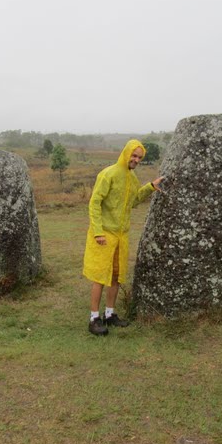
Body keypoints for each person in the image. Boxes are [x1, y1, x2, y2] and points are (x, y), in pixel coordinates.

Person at [83, 139, 163, 336]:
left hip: (121, 236)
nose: (136, 160)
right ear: (126, 153)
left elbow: (133, 201)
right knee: (100, 276)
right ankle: (94, 318)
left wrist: (150, 187)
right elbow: (95, 203)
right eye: (133, 155)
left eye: (139, 157)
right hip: (104, 234)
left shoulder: (132, 178)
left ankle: (109, 314)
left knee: (116, 276)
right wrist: (98, 232)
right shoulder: (108, 174)